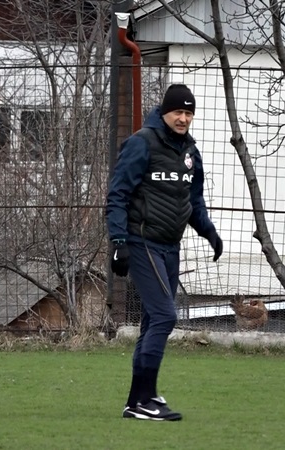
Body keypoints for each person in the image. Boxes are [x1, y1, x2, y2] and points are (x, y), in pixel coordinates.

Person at [106, 84, 223, 421]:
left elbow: (193, 200)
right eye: (178, 112)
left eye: (189, 113)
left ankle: (138, 401)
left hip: (171, 247)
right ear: (165, 112)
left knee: (151, 322)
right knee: (165, 316)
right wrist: (119, 242)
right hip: (142, 243)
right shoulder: (142, 143)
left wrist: (209, 232)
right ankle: (146, 400)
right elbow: (117, 195)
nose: (183, 118)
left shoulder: (190, 152)